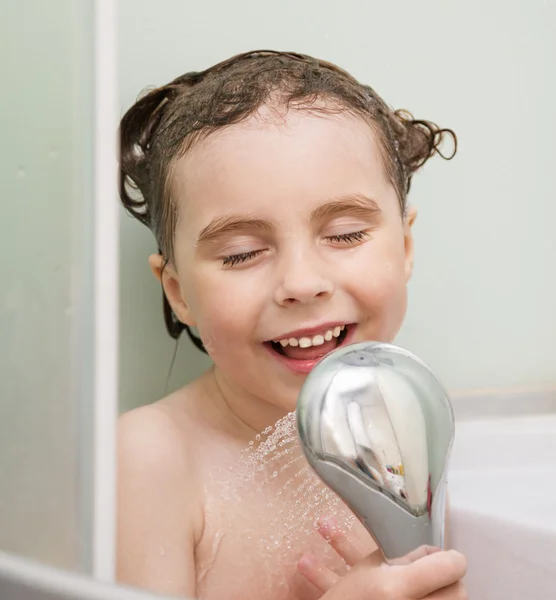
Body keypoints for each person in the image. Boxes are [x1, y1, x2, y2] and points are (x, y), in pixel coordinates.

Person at [116, 50, 467, 600]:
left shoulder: (409, 437)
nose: (302, 283)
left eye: (347, 234)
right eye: (241, 253)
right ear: (179, 293)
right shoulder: (148, 461)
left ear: (404, 247)